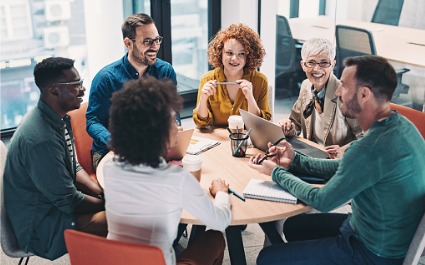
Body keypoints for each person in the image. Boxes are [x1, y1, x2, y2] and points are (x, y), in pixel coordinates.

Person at [249, 55, 425, 264]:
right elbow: (344, 166)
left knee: (267, 258)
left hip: (371, 252)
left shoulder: (369, 148)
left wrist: (277, 173)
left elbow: (322, 200)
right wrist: (295, 160)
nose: (338, 92)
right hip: (378, 231)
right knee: (293, 226)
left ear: (364, 94)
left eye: (343, 85)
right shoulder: (402, 126)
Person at [103, 76, 232, 265]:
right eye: (172, 120)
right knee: (214, 237)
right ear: (157, 130)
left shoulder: (110, 167)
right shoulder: (175, 179)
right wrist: (221, 194)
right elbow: (220, 221)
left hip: (115, 260)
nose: (178, 126)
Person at [3, 57, 107, 260]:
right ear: (54, 91)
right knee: (130, 218)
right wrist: (109, 203)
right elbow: (69, 201)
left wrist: (100, 192)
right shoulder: (41, 139)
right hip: (41, 229)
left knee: (126, 210)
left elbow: (73, 166)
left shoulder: (55, 117)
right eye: (76, 85)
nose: (83, 90)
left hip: (52, 208)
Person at [87, 13, 178, 170]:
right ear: (128, 43)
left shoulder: (166, 71)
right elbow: (93, 121)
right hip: (111, 152)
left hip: (154, 148)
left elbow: (173, 111)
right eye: (148, 41)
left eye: (157, 40)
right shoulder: (106, 78)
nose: (155, 46)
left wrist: (175, 127)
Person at [279, 38, 361, 159]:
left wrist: (345, 150)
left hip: (336, 162)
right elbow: (295, 124)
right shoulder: (306, 86)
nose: (317, 69)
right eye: (311, 62)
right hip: (311, 156)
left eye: (324, 63)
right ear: (303, 65)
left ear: (332, 65)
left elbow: (367, 136)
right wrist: (287, 127)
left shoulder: (345, 94)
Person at [192, 23, 271, 128]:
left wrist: (250, 98)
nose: (234, 58)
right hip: (218, 141)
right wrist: (203, 99)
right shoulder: (207, 79)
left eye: (241, 53)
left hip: (247, 141)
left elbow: (261, 125)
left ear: (249, 56)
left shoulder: (260, 81)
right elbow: (201, 123)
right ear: (220, 53)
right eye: (229, 53)